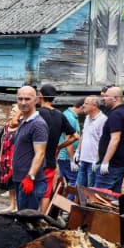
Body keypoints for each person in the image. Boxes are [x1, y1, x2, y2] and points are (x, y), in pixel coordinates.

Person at [36, 84, 78, 212]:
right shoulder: (59, 115)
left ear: (41, 95)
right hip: (50, 160)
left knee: (31, 190)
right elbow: (75, 136)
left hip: (35, 159)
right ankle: (41, 219)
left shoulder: (37, 113)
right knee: (46, 192)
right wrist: (58, 147)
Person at [12, 86, 48, 211]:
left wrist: (30, 177)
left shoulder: (38, 124)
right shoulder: (23, 121)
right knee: (22, 218)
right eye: (20, 99)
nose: (23, 102)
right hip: (20, 178)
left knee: (27, 222)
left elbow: (40, 153)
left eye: (27, 99)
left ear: (36, 100)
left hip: (31, 181)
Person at [95, 86, 124, 193]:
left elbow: (115, 139)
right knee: (113, 199)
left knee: (100, 197)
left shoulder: (116, 115)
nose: (103, 98)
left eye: (106, 96)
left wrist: (105, 162)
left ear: (115, 98)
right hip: (119, 163)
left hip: (112, 165)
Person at [74, 95, 107, 188]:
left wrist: (97, 158)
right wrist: (77, 151)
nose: (83, 105)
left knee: (90, 189)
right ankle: (78, 203)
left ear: (94, 106)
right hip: (83, 159)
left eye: (86, 103)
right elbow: (83, 135)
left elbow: (102, 141)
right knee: (78, 188)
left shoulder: (103, 120)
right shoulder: (87, 118)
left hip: (93, 161)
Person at [0, 104, 20, 212]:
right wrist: (0, 157)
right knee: (9, 183)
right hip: (6, 156)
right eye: (11, 111)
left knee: (15, 181)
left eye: (14, 111)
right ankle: (12, 204)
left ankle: (18, 205)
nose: (11, 113)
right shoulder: (7, 126)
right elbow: (3, 142)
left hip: (14, 157)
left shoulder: (20, 126)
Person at [57, 98, 83, 186]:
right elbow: (68, 140)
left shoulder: (70, 115)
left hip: (65, 157)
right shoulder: (70, 118)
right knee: (73, 183)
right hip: (66, 157)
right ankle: (66, 200)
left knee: (64, 184)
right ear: (82, 107)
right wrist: (72, 160)